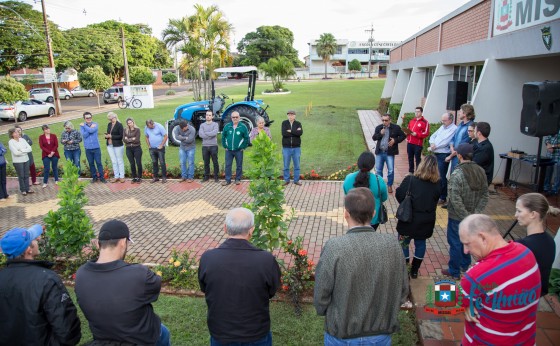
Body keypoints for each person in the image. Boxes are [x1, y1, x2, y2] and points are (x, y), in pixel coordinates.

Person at [314, 187, 409, 345]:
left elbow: (321, 294)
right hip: (380, 334)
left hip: (341, 335)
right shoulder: (393, 244)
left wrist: (324, 310)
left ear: (346, 213)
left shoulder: (334, 247)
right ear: (373, 214)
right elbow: (403, 290)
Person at [75, 219, 170, 346]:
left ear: (98, 244)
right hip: (141, 340)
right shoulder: (140, 274)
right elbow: (156, 285)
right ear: (123, 243)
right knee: (164, 332)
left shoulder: (81, 274)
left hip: (102, 338)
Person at [198, 208, 281, 345]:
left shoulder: (208, 258)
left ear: (225, 228)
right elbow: (271, 291)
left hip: (221, 333)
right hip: (256, 334)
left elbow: (204, 287)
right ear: (251, 230)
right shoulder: (266, 260)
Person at [459, 214, 541, 346]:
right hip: (526, 340)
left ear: (482, 237)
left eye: (467, 244)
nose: (465, 251)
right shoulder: (526, 252)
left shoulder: (478, 275)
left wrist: (466, 304)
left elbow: (446, 299)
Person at [0, 224, 81, 345]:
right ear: (29, 250)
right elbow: (67, 329)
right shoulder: (47, 280)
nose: (38, 239)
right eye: (33, 239)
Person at [443, 143, 488, 279]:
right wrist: (474, 214)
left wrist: (465, 216)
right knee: (467, 241)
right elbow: (485, 195)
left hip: (457, 216)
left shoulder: (457, 173)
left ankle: (454, 271)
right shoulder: (481, 171)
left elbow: (454, 198)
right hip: (473, 215)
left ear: (459, 155)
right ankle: (465, 265)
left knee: (455, 242)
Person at [396, 155, 441, 278]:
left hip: (408, 220)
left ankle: (405, 268)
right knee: (420, 244)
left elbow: (399, 196)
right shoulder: (438, 183)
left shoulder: (410, 180)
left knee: (403, 243)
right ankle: (415, 271)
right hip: (426, 220)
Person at [515, 193, 557, 296]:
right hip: (536, 295)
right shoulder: (550, 240)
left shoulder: (522, 245)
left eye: (519, 211)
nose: (515, 215)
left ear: (533, 214)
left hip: (519, 298)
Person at [343, 151, 388, 230]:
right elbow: (384, 198)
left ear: (358, 163)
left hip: (353, 216)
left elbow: (347, 194)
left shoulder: (348, 178)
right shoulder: (379, 180)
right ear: (372, 165)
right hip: (372, 218)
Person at [372, 113, 406, 193]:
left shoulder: (396, 128)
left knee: (390, 170)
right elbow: (374, 138)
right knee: (378, 170)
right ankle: (379, 185)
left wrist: (395, 140)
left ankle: (389, 185)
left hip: (389, 153)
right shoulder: (379, 127)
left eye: (386, 120)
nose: (384, 122)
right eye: (383, 120)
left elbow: (403, 136)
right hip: (380, 152)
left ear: (390, 120)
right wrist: (380, 134)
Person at [428, 112, 457, 204]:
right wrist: (432, 143)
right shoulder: (442, 127)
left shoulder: (453, 129)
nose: (442, 122)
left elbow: (445, 141)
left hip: (443, 155)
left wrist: (434, 146)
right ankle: (436, 194)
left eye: (444, 120)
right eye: (442, 120)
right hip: (436, 153)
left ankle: (442, 196)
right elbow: (433, 136)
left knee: (441, 176)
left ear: (450, 120)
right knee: (435, 175)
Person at [222, 111, 250, 186]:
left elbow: (246, 138)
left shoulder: (243, 127)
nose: (235, 118)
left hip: (238, 150)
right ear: (231, 118)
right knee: (228, 165)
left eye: (236, 117)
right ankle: (227, 180)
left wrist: (243, 147)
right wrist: (225, 146)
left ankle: (238, 179)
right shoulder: (227, 126)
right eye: (233, 117)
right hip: (229, 150)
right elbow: (223, 137)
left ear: (239, 117)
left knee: (239, 165)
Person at [446, 104, 475, 172]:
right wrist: (451, 148)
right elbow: (453, 138)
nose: (459, 113)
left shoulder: (470, 127)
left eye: (460, 111)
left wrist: (451, 155)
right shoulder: (460, 124)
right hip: (455, 155)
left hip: (461, 157)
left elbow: (463, 144)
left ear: (465, 113)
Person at [80, 112, 106, 183]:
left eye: (90, 117)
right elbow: (84, 135)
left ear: (91, 117)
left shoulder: (95, 124)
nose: (88, 119)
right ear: (84, 118)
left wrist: (86, 127)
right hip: (88, 148)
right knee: (91, 163)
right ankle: (94, 177)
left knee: (98, 162)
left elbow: (92, 130)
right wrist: (89, 129)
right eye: (87, 118)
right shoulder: (81, 126)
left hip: (96, 147)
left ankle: (102, 177)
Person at [8, 127, 34, 195]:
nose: (18, 133)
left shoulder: (22, 140)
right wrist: (24, 150)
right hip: (18, 162)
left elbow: (29, 148)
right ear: (12, 134)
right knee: (21, 176)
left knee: (26, 175)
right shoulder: (11, 142)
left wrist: (21, 150)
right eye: (16, 132)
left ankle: (27, 188)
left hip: (26, 159)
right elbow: (16, 153)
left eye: (18, 132)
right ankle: (23, 189)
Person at [281, 110, 303, 186]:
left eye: (292, 115)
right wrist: (294, 132)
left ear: (295, 116)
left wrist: (290, 131)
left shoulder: (298, 124)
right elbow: (284, 133)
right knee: (286, 165)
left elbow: (300, 133)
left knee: (297, 165)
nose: (290, 116)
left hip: (296, 148)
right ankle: (286, 180)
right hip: (286, 148)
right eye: (289, 115)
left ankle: (296, 180)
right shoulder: (284, 123)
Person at [405, 106, 430, 173]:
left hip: (417, 144)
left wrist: (417, 134)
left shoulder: (425, 122)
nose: (416, 113)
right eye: (415, 111)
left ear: (421, 112)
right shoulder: (412, 121)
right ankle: (411, 172)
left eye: (418, 111)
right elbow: (408, 129)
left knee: (417, 159)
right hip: (410, 143)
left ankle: (418, 172)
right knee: (410, 158)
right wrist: (407, 136)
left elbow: (426, 133)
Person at [198, 110, 220, 182]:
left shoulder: (215, 124)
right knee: (206, 162)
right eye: (207, 115)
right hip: (205, 146)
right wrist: (209, 134)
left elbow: (214, 133)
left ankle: (216, 177)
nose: (208, 116)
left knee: (215, 162)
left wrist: (206, 133)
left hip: (213, 146)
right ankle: (206, 176)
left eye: (209, 115)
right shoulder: (202, 125)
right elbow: (201, 134)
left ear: (212, 116)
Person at [145, 119, 168, 184]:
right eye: (150, 127)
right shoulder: (146, 128)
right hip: (152, 148)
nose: (152, 127)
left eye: (152, 125)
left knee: (162, 162)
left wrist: (161, 145)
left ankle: (164, 177)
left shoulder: (159, 126)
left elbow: (165, 136)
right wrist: (149, 145)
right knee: (154, 162)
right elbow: (146, 136)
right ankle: (155, 177)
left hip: (160, 148)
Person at [105, 112, 125, 183]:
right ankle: (116, 176)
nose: (111, 120)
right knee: (114, 161)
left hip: (118, 145)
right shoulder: (109, 124)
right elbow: (108, 133)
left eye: (112, 118)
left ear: (115, 117)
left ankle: (122, 176)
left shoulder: (119, 125)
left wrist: (112, 136)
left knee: (119, 160)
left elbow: (121, 136)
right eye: (109, 119)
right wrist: (107, 136)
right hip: (110, 145)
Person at [472, 122, 494, 186]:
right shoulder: (478, 143)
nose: (474, 132)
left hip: (481, 181)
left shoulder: (485, 148)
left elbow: (474, 164)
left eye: (474, 131)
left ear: (479, 133)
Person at [123, 117, 143, 183]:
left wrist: (128, 139)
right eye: (128, 123)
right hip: (128, 148)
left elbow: (137, 140)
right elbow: (124, 140)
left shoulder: (137, 130)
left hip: (137, 148)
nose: (130, 124)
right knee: (132, 163)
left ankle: (139, 177)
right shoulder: (125, 130)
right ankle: (134, 177)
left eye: (131, 122)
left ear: (133, 122)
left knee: (138, 163)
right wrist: (132, 139)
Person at [543, 130, 560, 195]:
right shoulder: (554, 128)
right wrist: (548, 144)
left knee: (557, 174)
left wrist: (552, 146)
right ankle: (546, 187)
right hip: (549, 155)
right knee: (548, 172)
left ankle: (555, 190)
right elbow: (547, 138)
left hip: (558, 156)